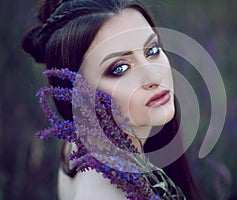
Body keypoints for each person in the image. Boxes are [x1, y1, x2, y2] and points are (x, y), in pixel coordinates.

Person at [22, 0, 202, 199]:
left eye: (152, 50)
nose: (154, 77)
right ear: (80, 95)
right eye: (120, 69)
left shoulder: (81, 146)